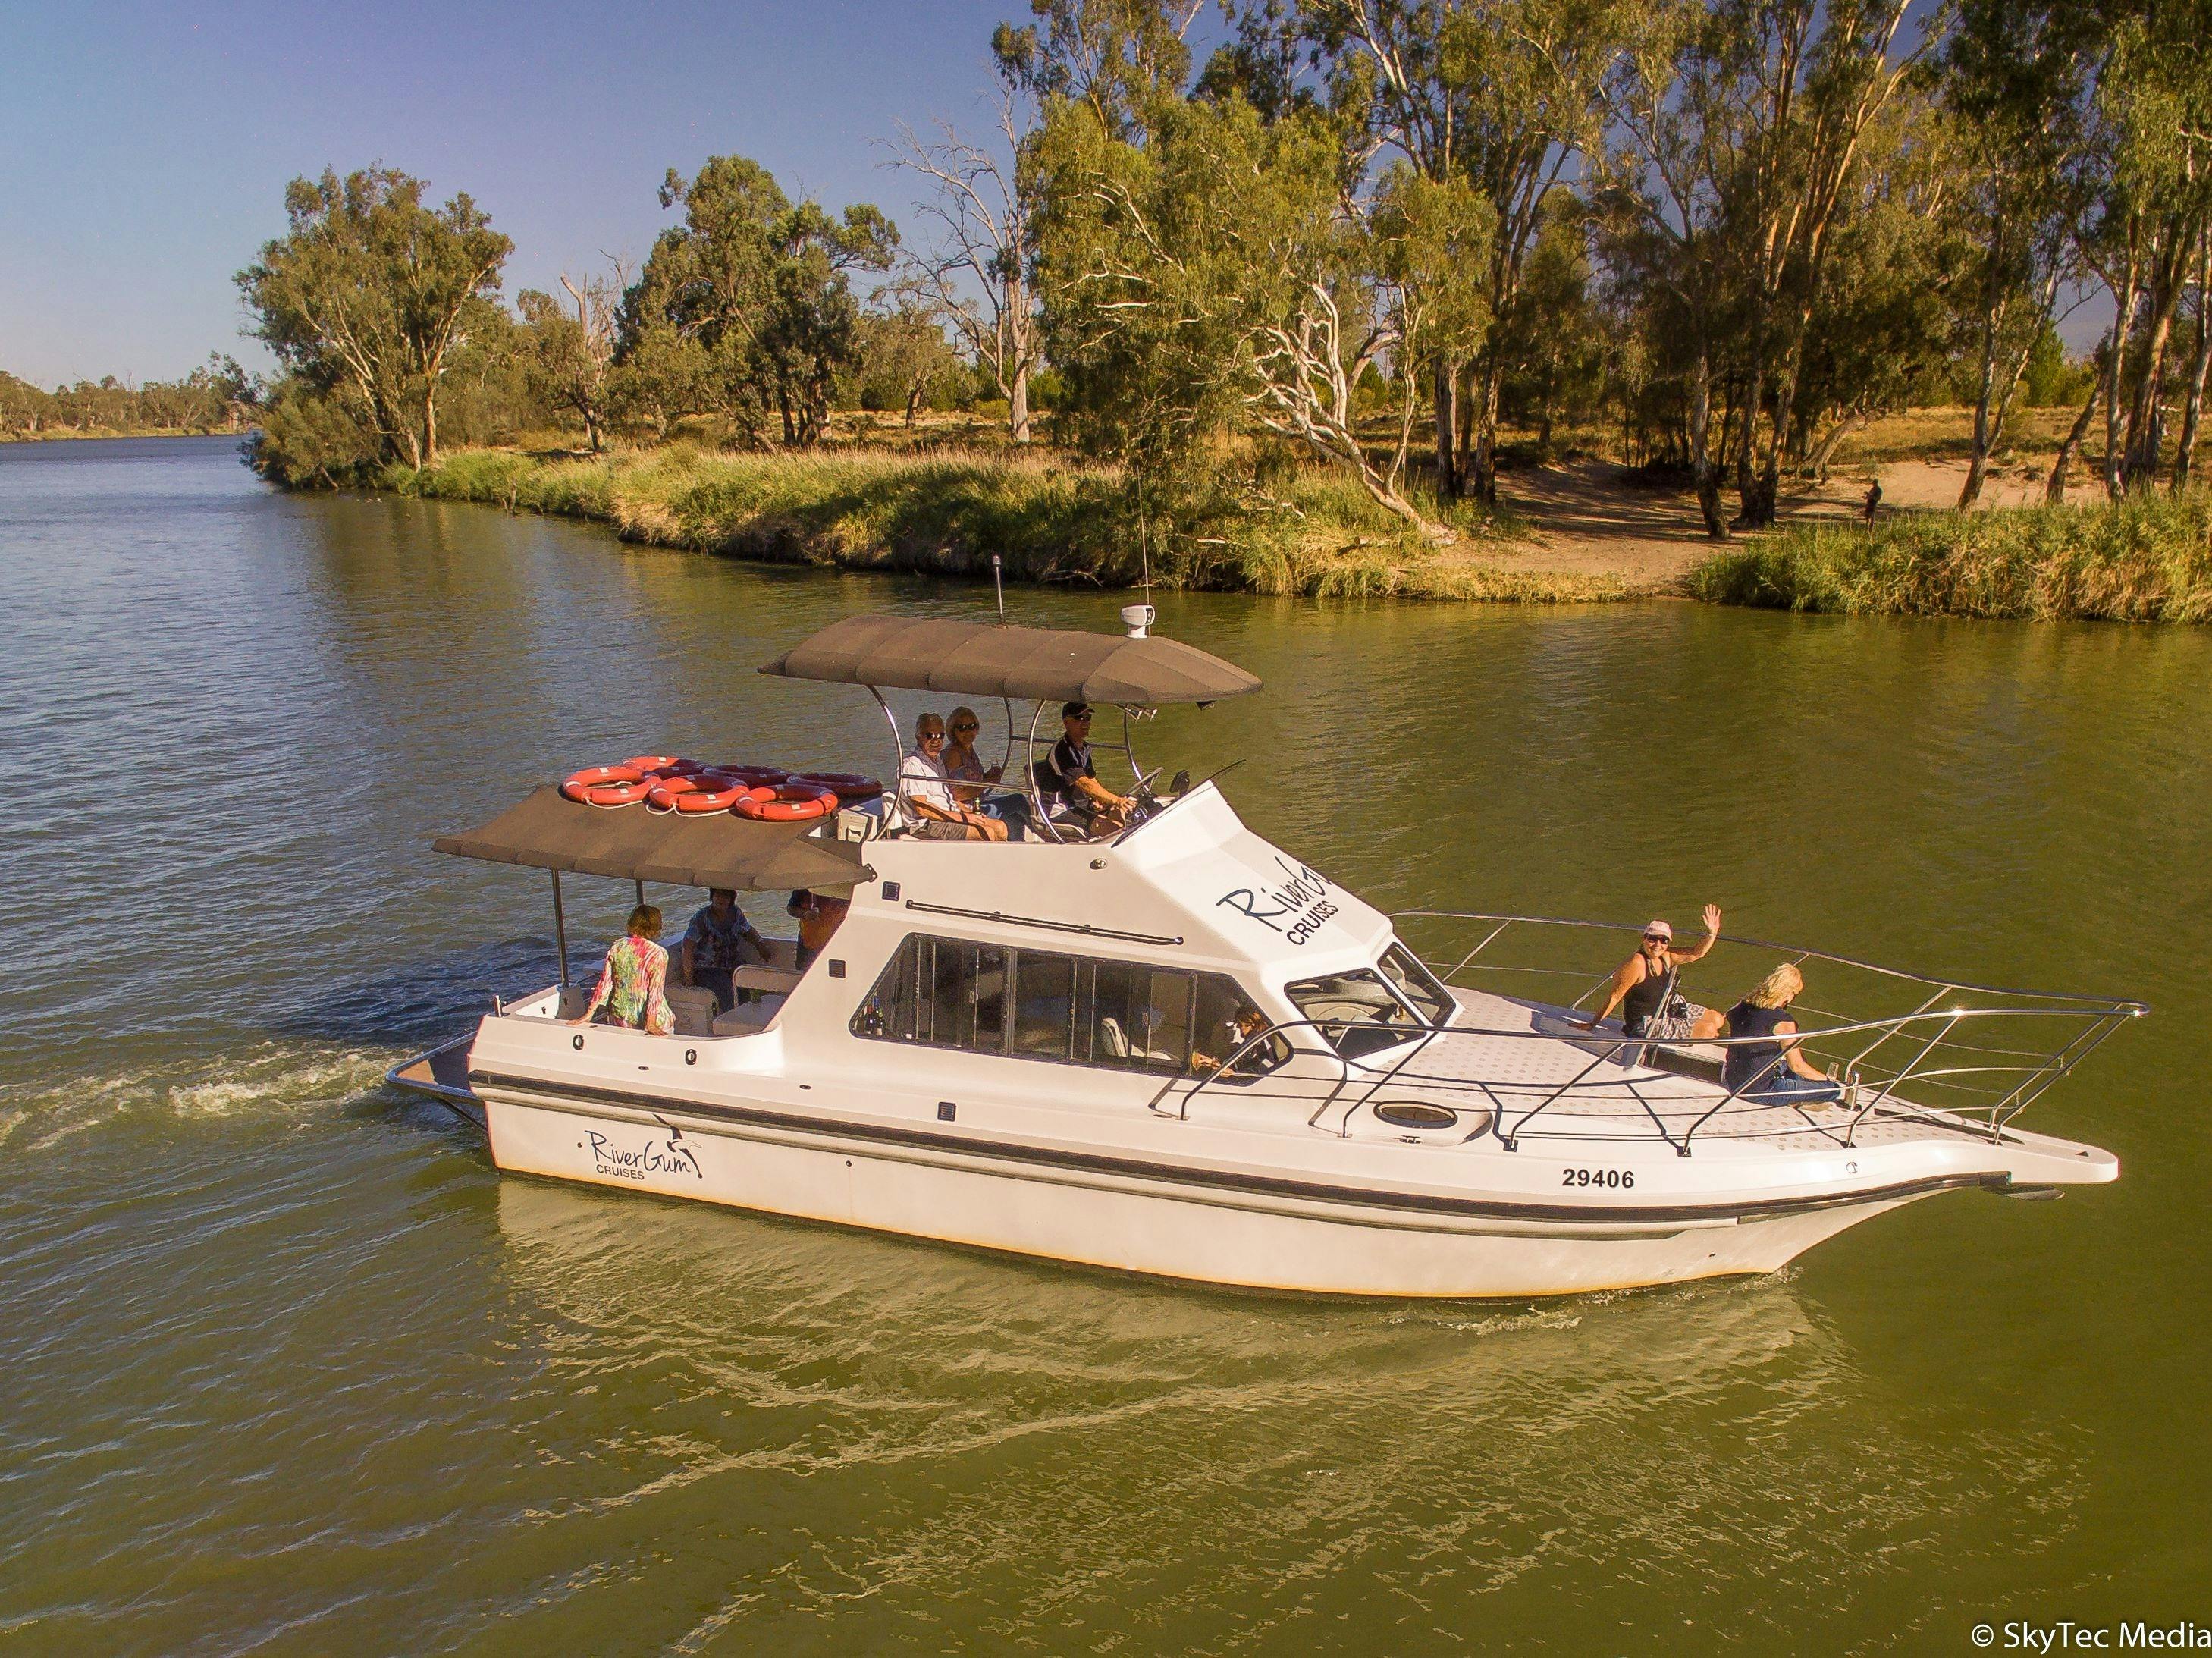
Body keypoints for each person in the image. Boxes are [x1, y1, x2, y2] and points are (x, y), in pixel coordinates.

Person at [1583, 907, 1727, 1044]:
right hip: (1647, 1021)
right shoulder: (1636, 964)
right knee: (1709, 1030)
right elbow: (1615, 997)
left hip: (1667, 1007)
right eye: (1653, 939)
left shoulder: (1666, 956)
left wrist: (1712, 933)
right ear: (1644, 939)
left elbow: (1697, 953)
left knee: (1718, 1019)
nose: (1658, 944)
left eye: (1664, 940)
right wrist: (1593, 1024)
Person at [1720, 963, 1843, 1102]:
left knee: (1784, 1063)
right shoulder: (1783, 1022)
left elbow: (1729, 1016)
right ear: (1788, 993)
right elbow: (1797, 1066)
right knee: (1833, 1090)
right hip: (1759, 1091)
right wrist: (1827, 1080)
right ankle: (1802, 1097)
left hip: (1732, 1079)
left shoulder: (1742, 1006)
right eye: (1794, 994)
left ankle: (1798, 1093)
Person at [899, 711, 1007, 841]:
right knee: (986, 833)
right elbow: (922, 808)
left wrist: (969, 811)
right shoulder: (912, 764)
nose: (936, 740)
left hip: (947, 817)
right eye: (930, 735)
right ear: (918, 737)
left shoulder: (937, 763)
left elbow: (948, 798)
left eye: (940, 735)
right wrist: (960, 817)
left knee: (1000, 828)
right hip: (927, 825)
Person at [569, 904, 675, 1035]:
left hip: (621, 1016)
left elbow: (605, 983)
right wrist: (651, 1022)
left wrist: (589, 1013)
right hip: (650, 1018)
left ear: (631, 923)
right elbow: (655, 991)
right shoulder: (657, 953)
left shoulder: (617, 946)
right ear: (656, 927)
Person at [1050, 702, 1134, 835]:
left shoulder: (1084, 747)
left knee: (1123, 809)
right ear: (1066, 722)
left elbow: (1091, 779)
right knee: (1116, 829)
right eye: (1079, 718)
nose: (1085, 723)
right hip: (1060, 809)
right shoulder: (1063, 750)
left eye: (1088, 718)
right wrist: (1116, 800)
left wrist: (1100, 800)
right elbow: (1084, 782)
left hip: (1079, 804)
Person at [944, 705, 1030, 837]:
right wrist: (986, 782)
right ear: (953, 731)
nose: (968, 732)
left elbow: (969, 780)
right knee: (1018, 800)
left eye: (972, 726)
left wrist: (987, 777)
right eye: (962, 728)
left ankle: (1016, 851)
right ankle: (1044, 832)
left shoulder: (969, 749)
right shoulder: (954, 754)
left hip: (978, 802)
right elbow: (957, 794)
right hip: (967, 809)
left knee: (1015, 819)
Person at [679, 887, 765, 1015]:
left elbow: (748, 930)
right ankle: (732, 1019)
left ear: (731, 899)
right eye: (717, 895)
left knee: (749, 982)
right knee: (728, 990)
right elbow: (687, 946)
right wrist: (688, 978)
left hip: (733, 964)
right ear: (712, 897)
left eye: (725, 896)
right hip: (707, 969)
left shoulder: (736, 913)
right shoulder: (701, 918)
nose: (721, 899)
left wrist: (760, 945)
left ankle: (748, 1017)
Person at [790, 889, 849, 971]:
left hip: (837, 945)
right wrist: (804, 913)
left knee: (833, 979)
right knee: (804, 977)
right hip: (808, 944)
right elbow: (791, 908)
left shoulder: (845, 887)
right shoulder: (804, 888)